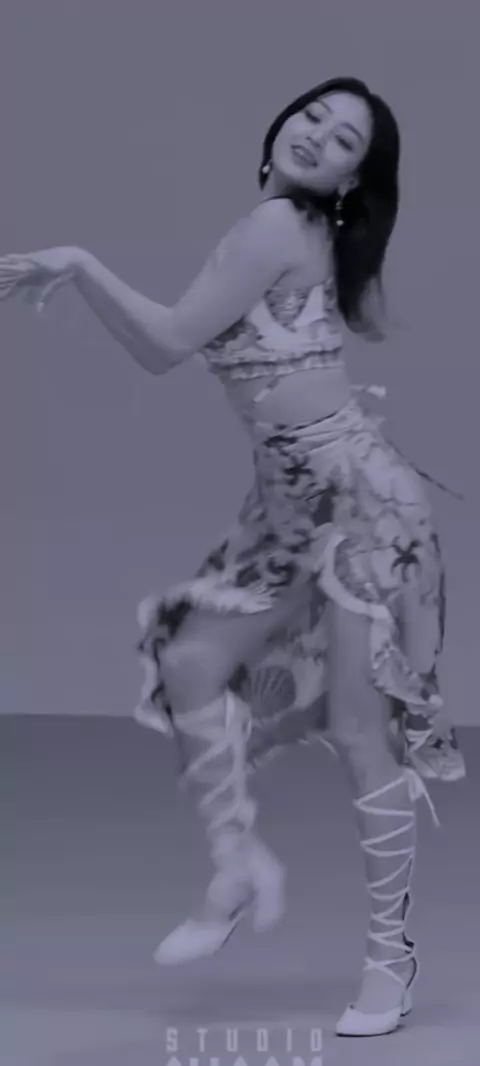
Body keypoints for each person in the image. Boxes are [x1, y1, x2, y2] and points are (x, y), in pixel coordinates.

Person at [0, 76, 466, 1038]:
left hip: (365, 509)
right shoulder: (294, 228)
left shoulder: (278, 227)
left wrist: (81, 262)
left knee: (361, 732)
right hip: (291, 512)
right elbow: (182, 348)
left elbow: (167, 343)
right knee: (190, 660)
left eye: (343, 141)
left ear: (351, 181)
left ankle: (391, 958)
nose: (316, 136)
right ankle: (238, 866)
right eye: (312, 115)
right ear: (283, 121)